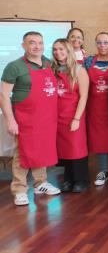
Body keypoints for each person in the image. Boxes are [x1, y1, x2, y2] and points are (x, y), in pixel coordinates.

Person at [1, 31, 61, 206]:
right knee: (23, 152)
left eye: (40, 43)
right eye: (32, 43)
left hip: (46, 117)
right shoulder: (14, 66)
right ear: (24, 46)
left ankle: (40, 183)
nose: (37, 46)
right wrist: (10, 120)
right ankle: (19, 189)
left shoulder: (48, 63)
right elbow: (4, 95)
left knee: (41, 149)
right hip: (25, 117)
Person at [84, 32, 108, 186]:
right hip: (95, 107)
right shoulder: (88, 62)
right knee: (99, 139)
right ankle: (103, 170)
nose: (102, 45)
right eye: (99, 42)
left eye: (106, 42)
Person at [52, 39, 90, 193]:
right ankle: (68, 179)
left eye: (61, 49)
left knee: (76, 148)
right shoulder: (53, 69)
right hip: (57, 116)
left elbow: (84, 96)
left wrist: (76, 118)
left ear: (68, 51)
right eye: (55, 49)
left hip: (74, 115)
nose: (57, 52)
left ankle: (81, 180)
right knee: (63, 149)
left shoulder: (79, 70)